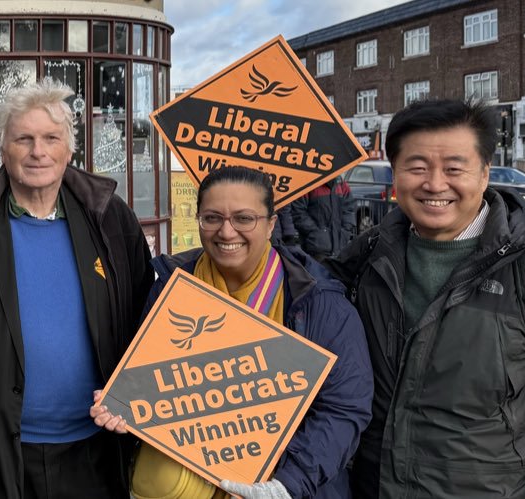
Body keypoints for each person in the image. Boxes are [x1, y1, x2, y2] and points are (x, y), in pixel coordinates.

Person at [327, 99, 525, 498]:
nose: (435, 184)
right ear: (396, 176)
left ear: (484, 174)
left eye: (454, 168)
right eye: (417, 167)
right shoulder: (366, 258)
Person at [90, 167, 372, 499]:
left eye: (244, 218)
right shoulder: (170, 286)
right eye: (212, 218)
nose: (226, 232)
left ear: (271, 224)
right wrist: (125, 409)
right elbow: (150, 383)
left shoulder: (318, 302)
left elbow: (344, 407)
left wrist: (287, 485)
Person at [0, 80, 154, 498]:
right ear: (0, 147)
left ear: (70, 148)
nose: (37, 152)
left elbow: (144, 317)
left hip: (95, 448)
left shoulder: (111, 218)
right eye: (23, 139)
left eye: (50, 138)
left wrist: (137, 396)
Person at [293, 177, 353, 261]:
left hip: (340, 247)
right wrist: (316, 233)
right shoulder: (307, 184)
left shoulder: (341, 184)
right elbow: (298, 212)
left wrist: (345, 231)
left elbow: (349, 209)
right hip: (315, 249)